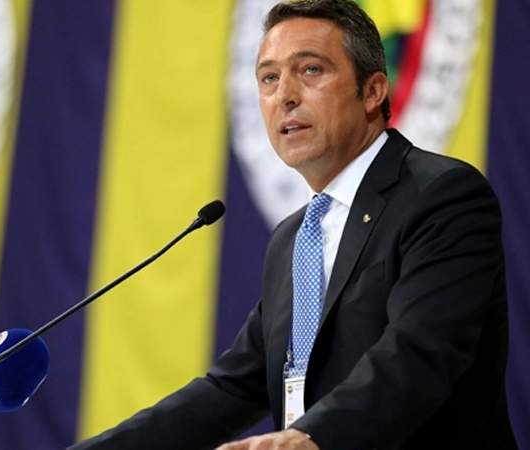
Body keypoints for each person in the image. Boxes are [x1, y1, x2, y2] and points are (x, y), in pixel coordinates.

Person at [69, 1, 518, 448]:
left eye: (310, 70)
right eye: (269, 78)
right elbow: (229, 389)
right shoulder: (294, 237)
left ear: (372, 92)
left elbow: (419, 353)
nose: (284, 95)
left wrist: (308, 437)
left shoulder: (440, 196)